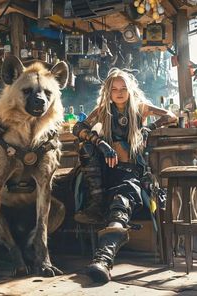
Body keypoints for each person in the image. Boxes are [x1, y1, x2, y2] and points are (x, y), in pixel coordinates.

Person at [72, 68, 177, 283]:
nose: (119, 93)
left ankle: (102, 260)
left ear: (130, 90)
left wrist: (149, 129)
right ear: (108, 92)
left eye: (123, 89)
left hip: (130, 174)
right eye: (114, 89)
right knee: (86, 146)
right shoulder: (103, 111)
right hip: (104, 174)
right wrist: (99, 142)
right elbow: (78, 127)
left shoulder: (139, 108)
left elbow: (171, 115)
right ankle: (96, 203)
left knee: (121, 203)